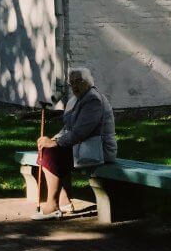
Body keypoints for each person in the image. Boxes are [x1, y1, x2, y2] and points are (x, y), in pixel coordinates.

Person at [32, 66, 117, 220]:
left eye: (79, 81)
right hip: (82, 148)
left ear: (89, 82)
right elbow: (67, 128)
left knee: (52, 153)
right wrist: (52, 140)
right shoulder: (75, 100)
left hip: (98, 150)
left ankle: (52, 206)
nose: (75, 86)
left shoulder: (93, 99)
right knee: (47, 150)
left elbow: (81, 132)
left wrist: (56, 144)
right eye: (72, 83)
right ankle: (63, 201)